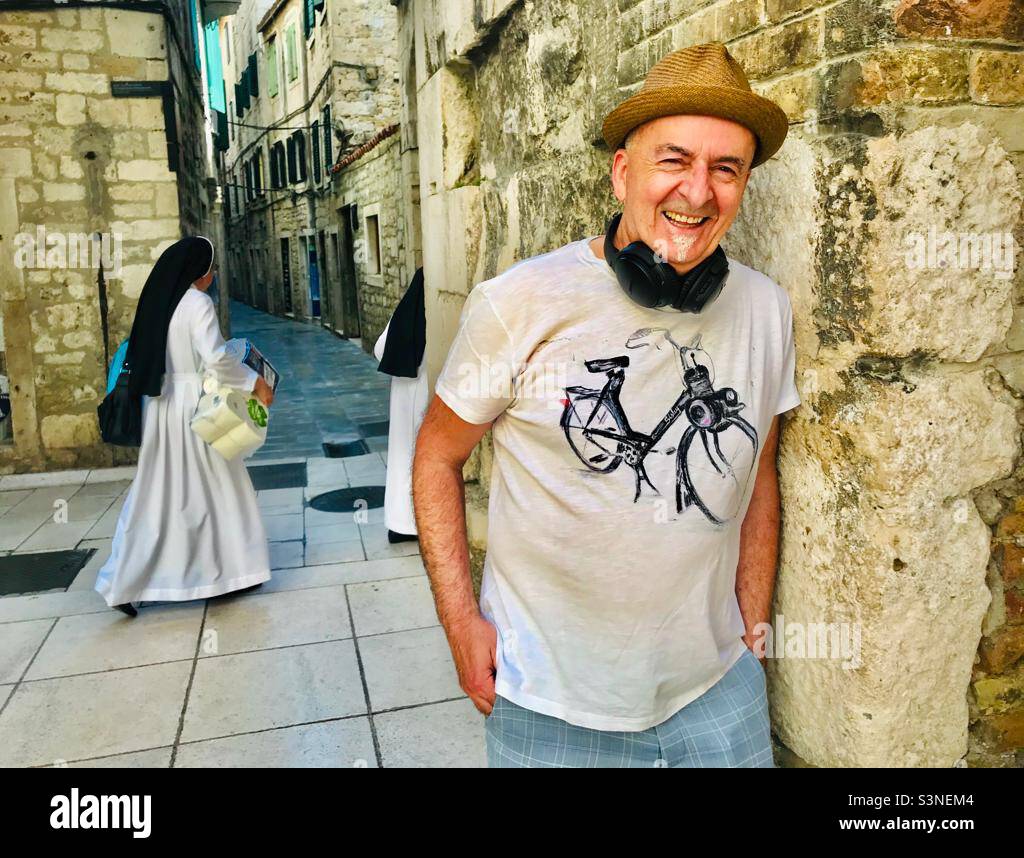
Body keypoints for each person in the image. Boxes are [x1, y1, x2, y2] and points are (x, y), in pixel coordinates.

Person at [413, 42, 800, 767]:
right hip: (548, 702)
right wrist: (460, 621)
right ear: (623, 171)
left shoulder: (767, 310)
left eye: (726, 168)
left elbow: (760, 478)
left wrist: (754, 633)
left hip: (717, 694)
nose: (698, 192)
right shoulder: (518, 303)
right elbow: (437, 455)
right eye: (674, 160)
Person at [95, 236, 275, 616]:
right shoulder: (197, 303)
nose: (212, 275)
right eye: (210, 268)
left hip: (161, 406)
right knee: (222, 485)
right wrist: (253, 383)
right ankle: (233, 570)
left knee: (156, 494)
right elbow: (215, 357)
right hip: (196, 405)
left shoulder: (159, 301)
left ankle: (122, 581)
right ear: (198, 271)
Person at [373, 268, 428, 543]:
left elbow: (380, 349)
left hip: (405, 392)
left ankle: (400, 522)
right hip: (427, 394)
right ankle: (416, 523)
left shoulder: (406, 311)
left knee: (402, 457)